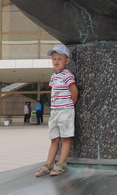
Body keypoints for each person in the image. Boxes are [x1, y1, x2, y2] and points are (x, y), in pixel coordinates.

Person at [35, 44, 78, 178]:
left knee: (65, 138)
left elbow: (74, 91)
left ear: (67, 61)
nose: (56, 61)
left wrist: (69, 105)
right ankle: (48, 164)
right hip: (54, 111)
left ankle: (61, 163)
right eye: (54, 59)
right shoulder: (53, 77)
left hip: (65, 110)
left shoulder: (67, 75)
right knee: (54, 139)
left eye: (60, 58)